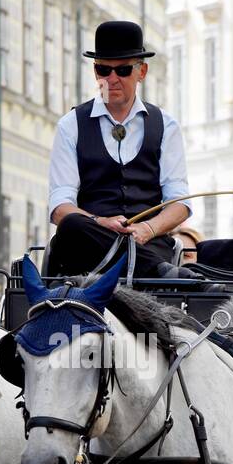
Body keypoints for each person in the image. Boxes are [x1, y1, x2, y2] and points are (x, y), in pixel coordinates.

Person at [47, 20, 192, 277]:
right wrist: (100, 223)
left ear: (142, 72)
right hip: (85, 249)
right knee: (71, 224)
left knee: (86, 230)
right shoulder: (71, 126)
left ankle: (153, 265)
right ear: (95, 72)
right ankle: (162, 272)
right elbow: (60, 206)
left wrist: (148, 228)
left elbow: (179, 202)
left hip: (149, 243)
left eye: (123, 70)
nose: (112, 79)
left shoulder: (166, 126)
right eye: (104, 70)